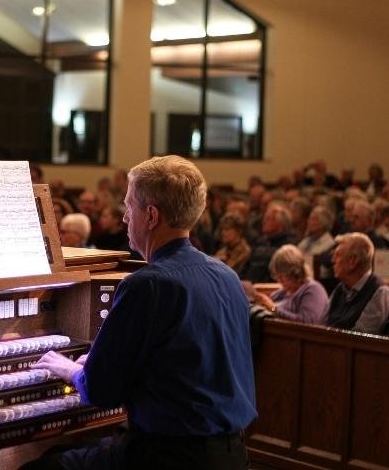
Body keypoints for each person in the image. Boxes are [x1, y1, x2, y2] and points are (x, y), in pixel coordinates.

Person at [28, 155, 256, 469]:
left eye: (128, 207)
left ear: (150, 215)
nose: (124, 219)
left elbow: (101, 391)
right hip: (232, 454)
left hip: (167, 457)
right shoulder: (227, 276)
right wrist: (97, 365)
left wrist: (74, 371)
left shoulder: (147, 285)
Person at [324, 232, 389, 334]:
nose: (332, 260)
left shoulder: (379, 292)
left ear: (353, 261)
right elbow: (321, 325)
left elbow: (360, 339)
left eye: (337, 255)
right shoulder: (340, 288)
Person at [249, 244, 328, 324]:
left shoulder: (313, 290)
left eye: (282, 276)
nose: (279, 280)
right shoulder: (281, 293)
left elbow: (307, 322)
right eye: (277, 276)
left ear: (296, 272)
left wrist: (273, 308)